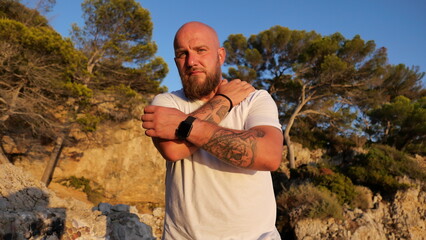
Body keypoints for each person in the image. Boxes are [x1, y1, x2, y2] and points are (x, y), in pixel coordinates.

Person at [141, 21, 283, 240]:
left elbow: (269, 156)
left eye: (200, 50)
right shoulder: (166, 102)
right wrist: (224, 100)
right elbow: (173, 150)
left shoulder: (254, 98)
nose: (191, 61)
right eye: (182, 54)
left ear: (220, 55)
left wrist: (184, 126)